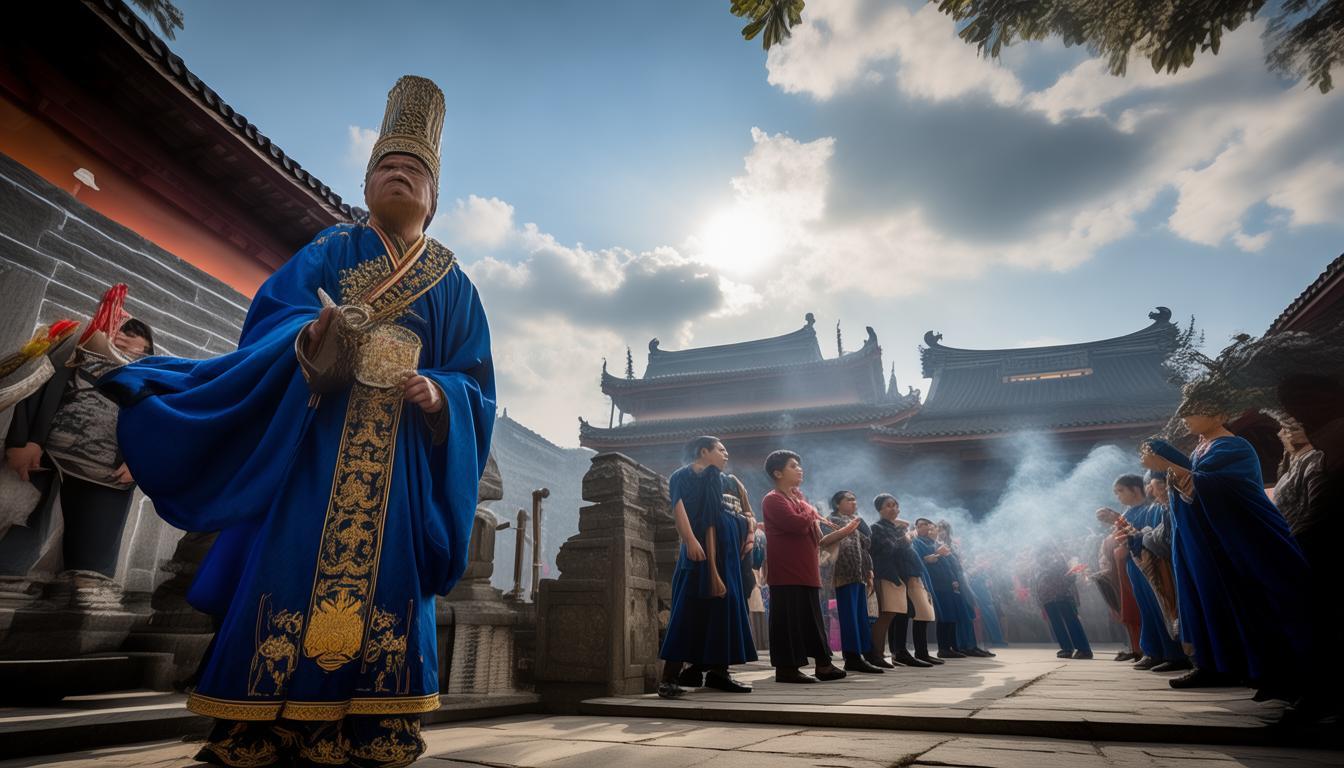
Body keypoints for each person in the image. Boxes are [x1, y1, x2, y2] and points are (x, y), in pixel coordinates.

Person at [98, 76, 494, 767]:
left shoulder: (454, 284)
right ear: (367, 186)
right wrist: (311, 340)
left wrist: (442, 392)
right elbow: (272, 318)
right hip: (317, 442)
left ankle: (376, 727)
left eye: (414, 170)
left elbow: (477, 379)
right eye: (386, 168)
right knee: (288, 567)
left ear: (435, 197)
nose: (398, 175)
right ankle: (258, 726)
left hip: (397, 465)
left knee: (389, 589)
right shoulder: (329, 248)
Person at [1141, 393, 1314, 699]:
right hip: (1207, 541)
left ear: (1220, 414)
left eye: (1194, 409)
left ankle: (1276, 675)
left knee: (1251, 601)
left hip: (1241, 538)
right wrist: (1171, 464)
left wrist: (1167, 463)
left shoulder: (1234, 446)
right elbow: (1193, 484)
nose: (1186, 416)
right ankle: (1214, 664)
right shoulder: (1200, 449)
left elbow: (1218, 487)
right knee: (1206, 599)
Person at [5, 302, 154, 579]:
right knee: (16, 535)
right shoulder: (72, 349)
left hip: (108, 474)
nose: (123, 337)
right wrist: (24, 441)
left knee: (89, 566)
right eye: (119, 331)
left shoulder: (153, 377)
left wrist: (139, 461)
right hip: (42, 458)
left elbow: (158, 424)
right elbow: (35, 389)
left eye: (134, 336)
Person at [658, 437, 757, 698]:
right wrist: (690, 540)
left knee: (724, 611)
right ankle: (669, 677)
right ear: (704, 451)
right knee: (688, 609)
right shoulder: (683, 475)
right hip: (701, 550)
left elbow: (745, 513)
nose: (726, 454)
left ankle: (718, 672)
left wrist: (747, 536)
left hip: (729, 555)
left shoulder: (728, 480)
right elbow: (679, 508)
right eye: (721, 450)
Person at [761, 450, 852, 684]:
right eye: (793, 466)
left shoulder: (798, 501)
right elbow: (795, 524)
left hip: (806, 568)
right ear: (778, 472)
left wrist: (838, 529)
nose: (799, 469)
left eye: (799, 465)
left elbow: (815, 530)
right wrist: (811, 512)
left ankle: (823, 664)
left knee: (812, 619)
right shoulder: (773, 499)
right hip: (786, 570)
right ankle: (787, 668)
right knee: (788, 619)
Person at [1101, 474, 1186, 672]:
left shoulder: (1152, 509)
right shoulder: (1127, 512)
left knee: (1160, 607)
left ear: (1135, 489)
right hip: (1134, 565)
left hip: (1152, 566)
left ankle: (1173, 654)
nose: (1118, 496)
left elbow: (1153, 536)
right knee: (1146, 609)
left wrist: (1122, 525)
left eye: (1121, 491)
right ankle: (1153, 651)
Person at [867, 496, 935, 668]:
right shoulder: (877, 527)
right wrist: (906, 538)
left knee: (899, 614)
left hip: (901, 575)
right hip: (887, 574)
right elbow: (886, 549)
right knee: (886, 615)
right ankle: (877, 654)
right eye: (888, 506)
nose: (893, 509)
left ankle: (898, 653)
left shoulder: (896, 528)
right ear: (880, 510)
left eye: (895, 505)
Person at [826, 491, 881, 673]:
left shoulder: (855, 522)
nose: (854, 502)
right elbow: (827, 546)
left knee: (860, 617)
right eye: (849, 500)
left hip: (858, 574)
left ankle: (865, 653)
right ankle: (852, 656)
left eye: (855, 499)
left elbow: (866, 546)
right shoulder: (829, 520)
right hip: (842, 573)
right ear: (837, 504)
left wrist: (869, 571)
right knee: (849, 617)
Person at [937, 521, 993, 658]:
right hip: (952, 581)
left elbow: (959, 563)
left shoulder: (953, 545)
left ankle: (971, 645)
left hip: (961, 578)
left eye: (944, 529)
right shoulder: (937, 545)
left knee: (968, 611)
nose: (942, 532)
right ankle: (964, 645)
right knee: (960, 614)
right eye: (939, 529)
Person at [1028, 543, 1092, 659]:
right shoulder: (1046, 561)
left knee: (1066, 622)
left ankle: (1080, 649)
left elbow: (1035, 582)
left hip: (1058, 595)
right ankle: (1070, 649)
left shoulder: (1054, 560)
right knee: (1063, 623)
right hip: (1054, 596)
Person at [911, 518, 962, 659]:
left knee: (951, 615)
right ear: (916, 528)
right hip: (933, 583)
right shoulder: (917, 542)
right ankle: (942, 648)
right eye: (921, 525)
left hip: (946, 583)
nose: (926, 528)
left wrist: (953, 579)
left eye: (928, 525)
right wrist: (936, 554)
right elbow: (921, 560)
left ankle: (950, 647)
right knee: (942, 616)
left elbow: (948, 564)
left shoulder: (933, 543)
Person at [1270, 414, 1323, 537]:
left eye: (1290, 428)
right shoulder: (1292, 456)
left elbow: (1314, 516)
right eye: (1283, 428)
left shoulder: (1315, 462)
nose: (1282, 433)